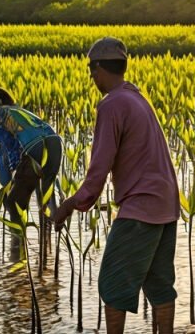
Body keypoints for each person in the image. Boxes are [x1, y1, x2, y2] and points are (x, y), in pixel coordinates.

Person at [53, 37, 179, 334]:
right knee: (160, 283)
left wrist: (71, 204)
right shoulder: (137, 98)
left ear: (98, 69)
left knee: (112, 284)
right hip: (167, 204)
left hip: (141, 205)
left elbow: (99, 168)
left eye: (91, 70)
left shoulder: (112, 104)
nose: (91, 77)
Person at [0, 88, 62, 262]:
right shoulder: (22, 112)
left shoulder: (3, 118)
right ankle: (49, 249)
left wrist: (6, 187)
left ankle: (17, 253)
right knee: (46, 200)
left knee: (13, 203)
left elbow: (3, 158)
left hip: (36, 147)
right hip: (55, 143)